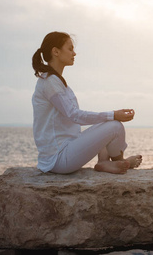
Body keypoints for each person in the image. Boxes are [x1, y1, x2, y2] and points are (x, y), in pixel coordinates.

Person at [31, 31, 141, 175]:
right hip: (58, 158)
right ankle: (118, 162)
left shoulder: (56, 81)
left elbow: (75, 117)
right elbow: (74, 115)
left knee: (107, 124)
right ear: (56, 52)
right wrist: (113, 114)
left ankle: (104, 162)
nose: (74, 53)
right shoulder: (50, 82)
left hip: (67, 149)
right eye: (70, 49)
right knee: (114, 125)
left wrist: (111, 116)